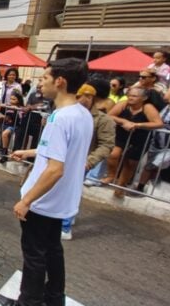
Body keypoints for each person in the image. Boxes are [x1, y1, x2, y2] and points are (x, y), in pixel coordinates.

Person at [0, 58, 93, 306]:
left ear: (60, 81)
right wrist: (30, 153)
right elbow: (64, 154)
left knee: (35, 257)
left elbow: (55, 170)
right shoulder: (82, 113)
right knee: (53, 251)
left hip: (43, 202)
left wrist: (26, 200)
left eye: (45, 78)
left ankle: (27, 302)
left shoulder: (59, 118)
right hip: (61, 201)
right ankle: (54, 299)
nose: (41, 83)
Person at [61, 83, 115, 240]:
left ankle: (65, 226)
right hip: (62, 159)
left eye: (86, 96)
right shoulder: (65, 113)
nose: (81, 99)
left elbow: (106, 144)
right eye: (78, 96)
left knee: (72, 192)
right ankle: (64, 216)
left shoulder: (103, 120)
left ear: (92, 97)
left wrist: (89, 161)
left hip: (81, 163)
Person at [101, 87, 163, 198]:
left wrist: (137, 125)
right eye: (129, 95)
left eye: (134, 96)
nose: (130, 98)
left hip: (140, 137)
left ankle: (121, 186)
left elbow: (158, 123)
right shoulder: (123, 104)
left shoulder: (148, 107)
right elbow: (109, 115)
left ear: (144, 98)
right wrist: (124, 121)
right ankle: (111, 175)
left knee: (130, 163)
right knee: (113, 154)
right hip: (120, 134)